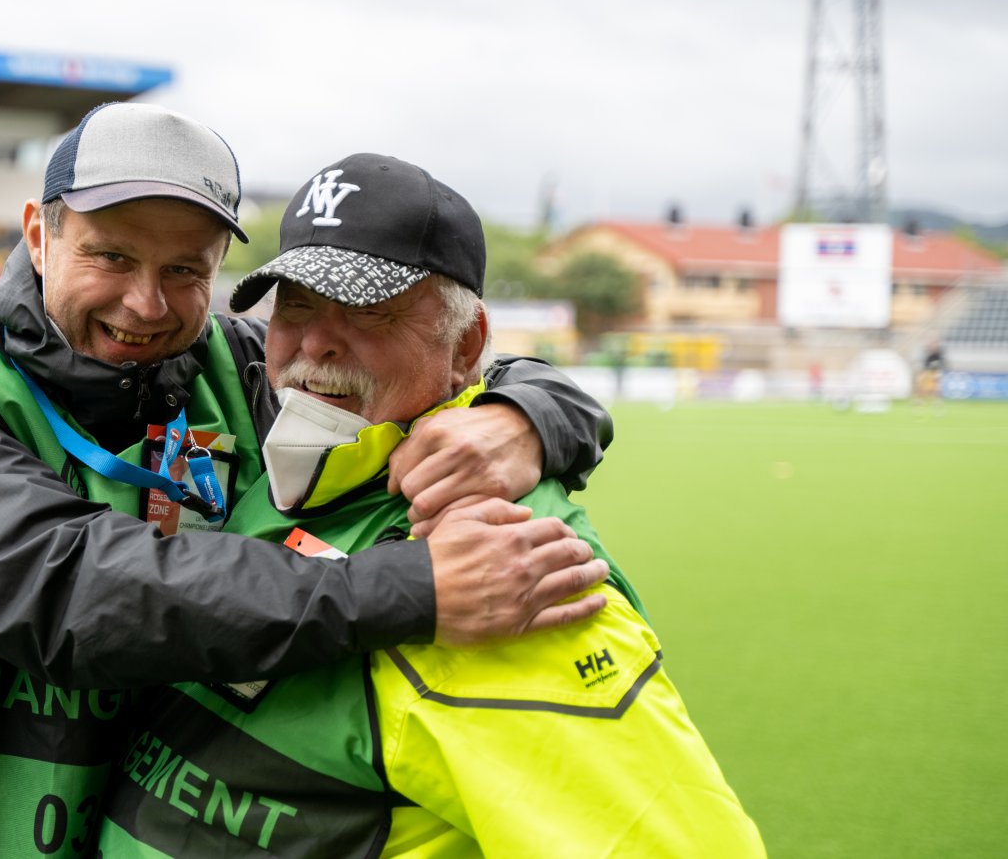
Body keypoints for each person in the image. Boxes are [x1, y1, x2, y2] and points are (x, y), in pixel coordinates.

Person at [0, 106, 616, 858]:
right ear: (41, 235)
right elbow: (65, 589)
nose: (147, 306)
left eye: (185, 270)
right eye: (111, 258)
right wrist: (412, 588)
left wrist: (526, 417)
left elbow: (405, 380)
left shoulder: (222, 364)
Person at [98, 153, 763, 857]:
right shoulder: (296, 447)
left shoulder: (508, 568)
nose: (315, 340)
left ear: (466, 344)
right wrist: (535, 411)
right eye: (295, 305)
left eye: (366, 310)